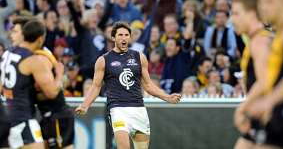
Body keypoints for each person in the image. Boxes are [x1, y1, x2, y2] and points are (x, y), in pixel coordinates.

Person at [75, 21, 181, 149]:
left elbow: (148, 85)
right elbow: (96, 86)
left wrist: (167, 97)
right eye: (120, 35)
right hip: (118, 109)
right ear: (113, 37)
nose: (123, 38)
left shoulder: (139, 57)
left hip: (138, 109)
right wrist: (85, 105)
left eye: (126, 35)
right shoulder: (103, 60)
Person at [9, 17, 74, 149]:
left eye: (15, 31)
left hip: (55, 114)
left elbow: (49, 92)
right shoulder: (24, 55)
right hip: (44, 115)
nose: (12, 35)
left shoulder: (40, 57)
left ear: (25, 33)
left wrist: (60, 76)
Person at [246, 0, 283, 148]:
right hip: (280, 113)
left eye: (269, 1)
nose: (262, 7)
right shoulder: (281, 32)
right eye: (261, 2)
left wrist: (268, 102)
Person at [230, 0, 272, 148]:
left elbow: (266, 80)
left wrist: (242, 108)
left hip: (269, 116)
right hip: (259, 114)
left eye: (236, 13)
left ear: (252, 14)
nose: (232, 19)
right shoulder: (256, 40)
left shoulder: (260, 41)